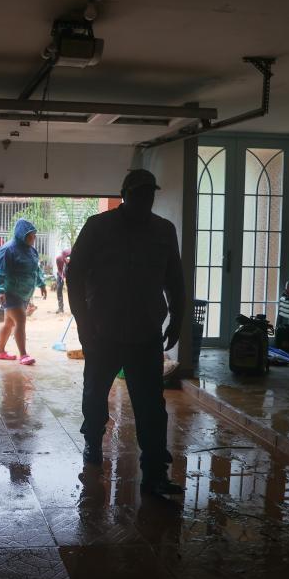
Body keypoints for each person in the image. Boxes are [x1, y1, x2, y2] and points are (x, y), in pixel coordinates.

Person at [67, 169, 186, 495]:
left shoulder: (164, 230)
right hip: (103, 331)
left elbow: (174, 279)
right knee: (95, 394)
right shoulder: (99, 227)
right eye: (138, 193)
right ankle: (93, 442)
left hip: (146, 332)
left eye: (149, 194)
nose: (144, 199)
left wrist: (177, 318)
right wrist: (82, 322)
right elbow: (74, 275)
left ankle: (155, 474)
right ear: (125, 194)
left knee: (151, 406)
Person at [0, 218, 47, 365]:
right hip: (10, 292)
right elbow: (0, 272)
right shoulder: (7, 249)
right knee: (20, 321)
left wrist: (42, 284)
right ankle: (23, 354)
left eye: (34, 235)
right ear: (22, 234)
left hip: (25, 293)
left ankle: (0, 351)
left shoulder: (31, 250)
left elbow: (36, 268)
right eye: (31, 235)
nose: (34, 238)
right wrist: (0, 290)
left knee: (8, 323)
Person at [54, 249, 71, 314]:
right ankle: (60, 308)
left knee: (71, 291)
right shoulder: (58, 259)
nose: (68, 258)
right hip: (60, 273)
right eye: (67, 257)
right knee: (59, 289)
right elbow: (59, 269)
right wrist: (62, 276)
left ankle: (74, 308)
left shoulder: (72, 259)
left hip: (69, 273)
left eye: (69, 257)